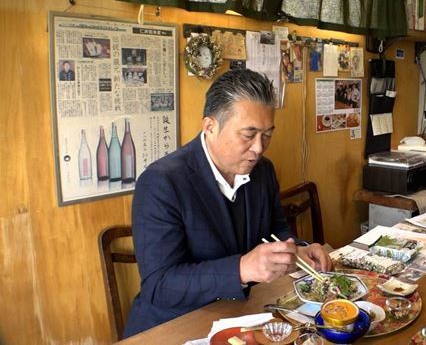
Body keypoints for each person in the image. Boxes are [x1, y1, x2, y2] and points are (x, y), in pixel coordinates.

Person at [124, 69, 332, 337]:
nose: (259, 148)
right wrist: (241, 269)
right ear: (210, 127)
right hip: (174, 325)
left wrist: (298, 251)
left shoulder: (263, 171)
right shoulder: (162, 182)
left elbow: (277, 229)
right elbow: (159, 284)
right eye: (249, 134)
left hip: (241, 315)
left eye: (267, 134)